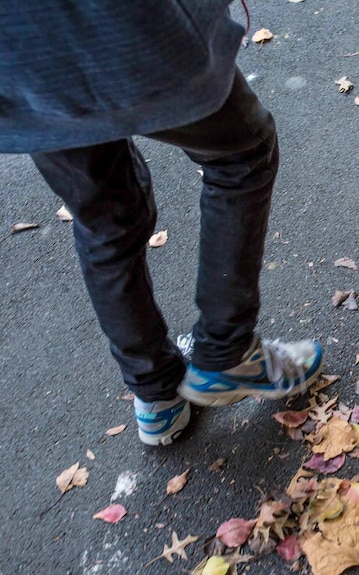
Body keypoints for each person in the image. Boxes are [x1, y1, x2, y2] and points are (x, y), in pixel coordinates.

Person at [0, 1, 323, 445]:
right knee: (244, 153)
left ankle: (156, 395)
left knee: (106, 221)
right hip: (131, 37)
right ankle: (226, 353)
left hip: (20, 72)